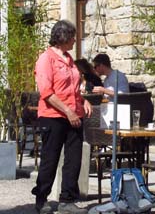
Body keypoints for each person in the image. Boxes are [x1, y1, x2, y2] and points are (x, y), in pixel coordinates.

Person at [32, 20, 92, 214]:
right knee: (51, 158)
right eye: (73, 36)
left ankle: (67, 200)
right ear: (63, 38)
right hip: (53, 116)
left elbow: (74, 87)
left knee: (74, 159)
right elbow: (47, 92)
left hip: (74, 114)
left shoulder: (69, 59)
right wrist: (68, 111)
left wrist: (83, 101)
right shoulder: (45, 59)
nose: (75, 40)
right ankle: (41, 199)